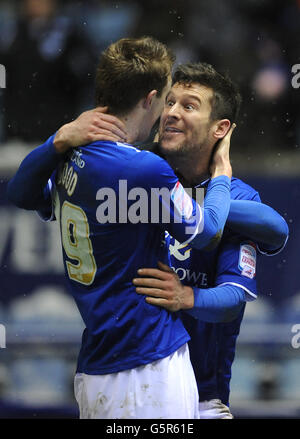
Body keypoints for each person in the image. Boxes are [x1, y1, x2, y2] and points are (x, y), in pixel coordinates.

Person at [7, 38, 236, 419]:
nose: (167, 111)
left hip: (96, 366)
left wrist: (58, 139)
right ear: (149, 100)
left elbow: (20, 192)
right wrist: (223, 175)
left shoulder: (70, 156)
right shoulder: (143, 169)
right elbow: (209, 230)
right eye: (165, 99)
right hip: (147, 366)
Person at [44, 62, 288, 419]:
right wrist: (58, 141)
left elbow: (237, 292)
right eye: (169, 102)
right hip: (128, 372)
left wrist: (187, 297)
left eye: (188, 106)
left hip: (204, 397)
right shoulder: (133, 171)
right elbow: (36, 192)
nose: (171, 113)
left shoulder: (237, 195)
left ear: (221, 129)